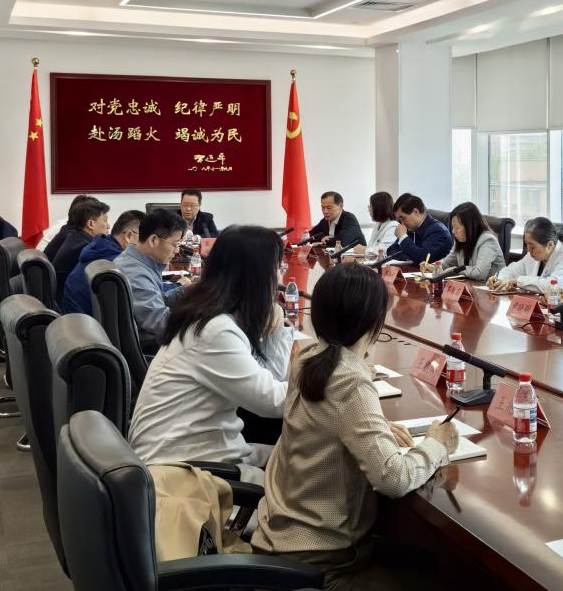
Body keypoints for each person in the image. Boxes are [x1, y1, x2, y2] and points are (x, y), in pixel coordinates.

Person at [251, 263, 458, 587]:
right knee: (449, 577)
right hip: (322, 562)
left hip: (283, 537)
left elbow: (324, 423)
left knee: (425, 561)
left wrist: (374, 429)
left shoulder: (307, 357)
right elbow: (394, 478)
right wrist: (436, 444)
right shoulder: (350, 382)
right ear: (374, 321)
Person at [129, 225, 294, 484]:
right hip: (182, 472)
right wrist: (331, 387)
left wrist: (277, 328)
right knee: (310, 475)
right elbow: (271, 401)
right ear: (256, 276)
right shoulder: (215, 331)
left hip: (200, 451)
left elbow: (268, 378)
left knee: (300, 457)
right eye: (277, 267)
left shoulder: (207, 314)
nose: (280, 275)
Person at [113, 209, 191, 348]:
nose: (177, 250)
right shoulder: (135, 273)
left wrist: (187, 291)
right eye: (174, 244)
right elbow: (160, 322)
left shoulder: (136, 261)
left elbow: (155, 301)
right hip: (149, 344)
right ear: (153, 240)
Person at [60, 210, 144, 315]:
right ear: (129, 236)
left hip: (77, 318)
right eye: (144, 237)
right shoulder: (116, 261)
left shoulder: (102, 246)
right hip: (88, 321)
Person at [489, 217, 563, 292]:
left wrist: (518, 281)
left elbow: (553, 286)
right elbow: (512, 270)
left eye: (532, 246)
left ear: (549, 245)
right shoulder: (533, 255)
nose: (529, 250)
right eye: (526, 245)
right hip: (544, 305)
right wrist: (499, 279)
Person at [420, 202, 505, 280]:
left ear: (469, 226)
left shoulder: (488, 241)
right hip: (470, 286)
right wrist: (432, 266)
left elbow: (479, 273)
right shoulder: (461, 240)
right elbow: (447, 264)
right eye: (453, 227)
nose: (453, 231)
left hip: (490, 289)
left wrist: (458, 269)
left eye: (457, 228)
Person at [50, 198, 110, 299]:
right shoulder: (85, 248)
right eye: (105, 220)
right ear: (91, 224)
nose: (108, 226)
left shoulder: (76, 237)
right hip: (68, 304)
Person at [387, 193, 453, 264]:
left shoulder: (438, 231)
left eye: (403, 218)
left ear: (416, 212)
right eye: (399, 219)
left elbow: (422, 258)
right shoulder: (411, 229)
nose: (401, 223)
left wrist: (403, 237)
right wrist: (410, 257)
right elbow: (391, 251)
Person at [356, 191, 399, 256]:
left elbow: (384, 250)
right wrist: (365, 249)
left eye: (371, 206)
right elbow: (371, 246)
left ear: (379, 207)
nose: (369, 209)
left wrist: (364, 250)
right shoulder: (378, 224)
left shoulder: (393, 226)